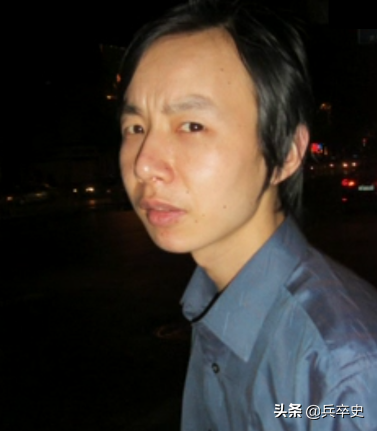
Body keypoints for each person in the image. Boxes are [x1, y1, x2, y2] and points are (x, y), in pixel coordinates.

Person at [117, 1, 377, 430]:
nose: (144, 164)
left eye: (192, 126)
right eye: (136, 128)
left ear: (286, 152)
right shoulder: (214, 299)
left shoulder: (341, 376)